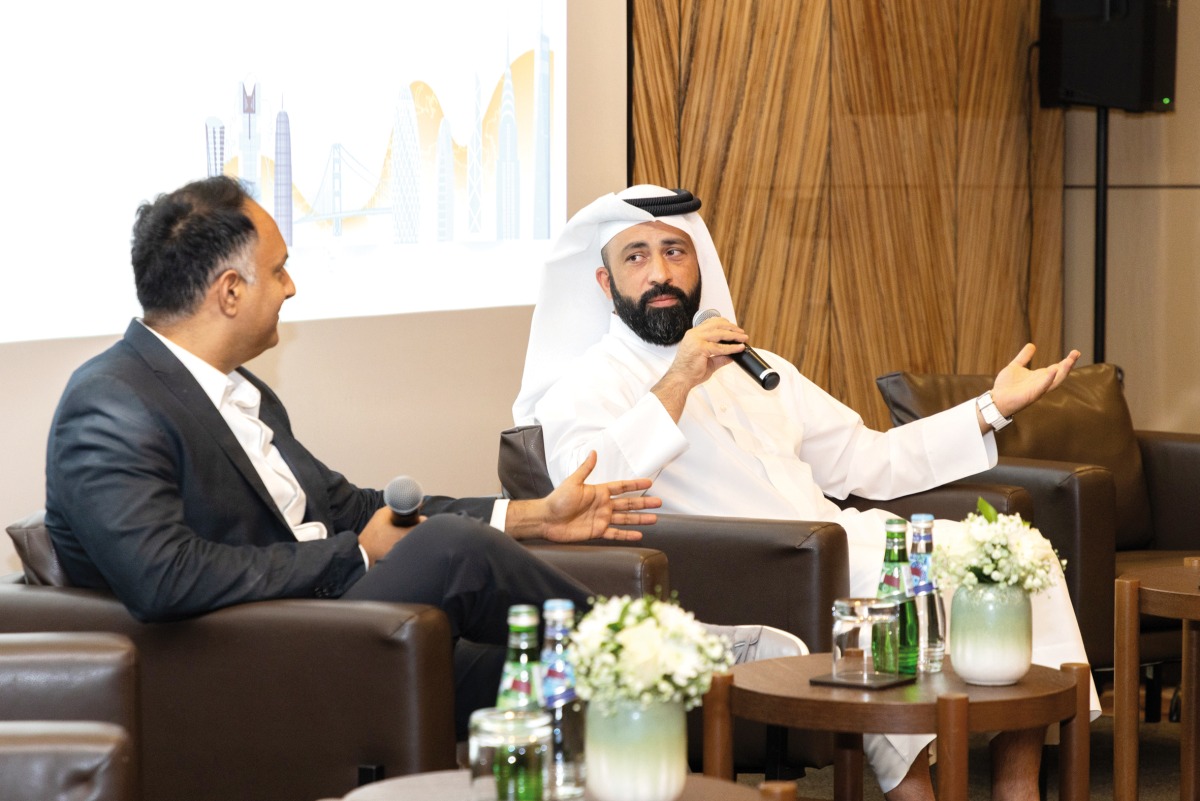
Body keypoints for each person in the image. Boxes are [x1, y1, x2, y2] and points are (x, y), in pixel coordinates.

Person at [514, 185, 1100, 801]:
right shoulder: (584, 385)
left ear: (699, 267)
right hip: (739, 582)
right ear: (606, 285)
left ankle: (1018, 789)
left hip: (835, 546)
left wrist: (990, 409)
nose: (659, 272)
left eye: (674, 252)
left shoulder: (758, 370)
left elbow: (869, 459)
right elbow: (586, 489)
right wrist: (681, 377)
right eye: (636, 257)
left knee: (1013, 553)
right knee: (888, 580)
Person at [44, 175, 661, 735]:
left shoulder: (240, 390)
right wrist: (357, 554)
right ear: (230, 291)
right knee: (449, 547)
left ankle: (664, 683)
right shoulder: (110, 403)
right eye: (280, 271)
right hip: (254, 665)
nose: (292, 287)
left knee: (552, 678)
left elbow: (352, 505)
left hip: (339, 631)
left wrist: (537, 515)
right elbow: (163, 577)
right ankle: (664, 652)